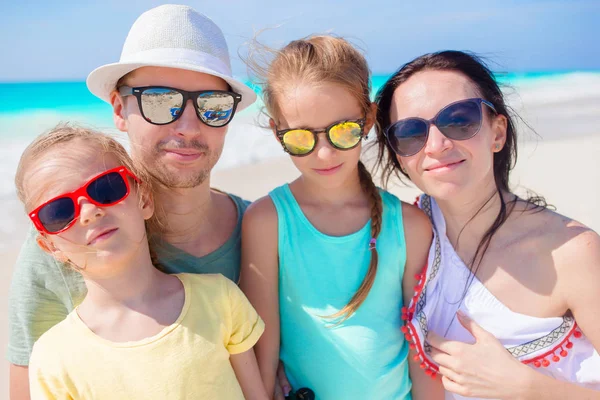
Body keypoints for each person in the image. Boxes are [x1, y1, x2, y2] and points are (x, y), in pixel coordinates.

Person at [8, 5, 257, 398]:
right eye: (159, 101)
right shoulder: (64, 243)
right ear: (120, 109)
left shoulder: (260, 229)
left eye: (211, 104)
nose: (189, 126)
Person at [374, 50, 600, 399]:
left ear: (497, 132)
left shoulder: (573, 253)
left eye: (459, 120)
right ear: (399, 157)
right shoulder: (398, 237)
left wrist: (527, 387)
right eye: (410, 133)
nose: (436, 145)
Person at [239, 35, 434, 400]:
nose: (325, 154)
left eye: (343, 131)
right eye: (300, 138)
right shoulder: (266, 222)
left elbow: (422, 354)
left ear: (370, 118)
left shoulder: (410, 226)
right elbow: (262, 356)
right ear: (275, 131)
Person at [18, 126, 267, 399]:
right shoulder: (54, 357)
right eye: (58, 211)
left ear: (145, 199)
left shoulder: (220, 299)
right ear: (49, 246)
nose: (89, 212)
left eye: (106, 188)